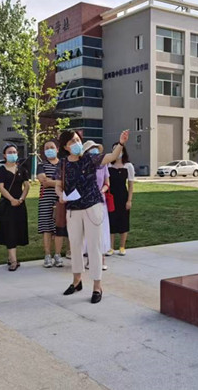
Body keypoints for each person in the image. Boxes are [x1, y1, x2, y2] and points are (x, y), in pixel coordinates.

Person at [56, 129, 130, 304]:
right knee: (75, 246)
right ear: (65, 147)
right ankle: (77, 281)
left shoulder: (90, 158)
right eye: (72, 142)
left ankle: (97, 286)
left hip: (92, 206)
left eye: (77, 140)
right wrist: (60, 195)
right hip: (73, 209)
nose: (76, 143)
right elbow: (59, 185)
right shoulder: (63, 164)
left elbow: (112, 156)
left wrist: (121, 143)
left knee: (94, 246)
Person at [0, 144, 30, 271]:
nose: (12, 154)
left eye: (14, 152)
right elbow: (1, 188)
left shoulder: (22, 169)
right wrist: (12, 200)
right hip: (7, 204)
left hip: (20, 204)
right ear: (4, 155)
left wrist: (21, 199)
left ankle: (11, 257)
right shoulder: (0, 170)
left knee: (17, 230)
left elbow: (27, 185)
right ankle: (14, 261)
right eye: (9, 152)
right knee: (9, 231)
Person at [82, 141, 110, 272]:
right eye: (91, 149)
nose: (94, 152)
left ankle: (102, 258)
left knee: (102, 229)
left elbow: (107, 183)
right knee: (89, 230)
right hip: (87, 202)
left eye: (95, 149)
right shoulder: (83, 166)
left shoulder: (103, 165)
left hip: (100, 201)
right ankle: (90, 258)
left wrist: (102, 190)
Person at [37, 140, 64, 268]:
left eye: (52, 147)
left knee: (59, 227)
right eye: (46, 148)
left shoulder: (63, 164)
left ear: (57, 149)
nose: (49, 150)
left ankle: (58, 254)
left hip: (60, 199)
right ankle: (47, 255)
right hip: (46, 200)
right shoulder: (41, 165)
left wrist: (52, 181)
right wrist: (59, 182)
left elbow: (67, 181)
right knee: (46, 228)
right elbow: (44, 181)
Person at [108, 142, 135, 256]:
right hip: (111, 197)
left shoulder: (128, 166)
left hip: (123, 197)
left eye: (119, 149)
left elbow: (131, 185)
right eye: (115, 149)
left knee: (123, 221)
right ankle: (110, 247)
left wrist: (129, 200)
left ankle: (122, 247)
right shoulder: (108, 165)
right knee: (111, 221)